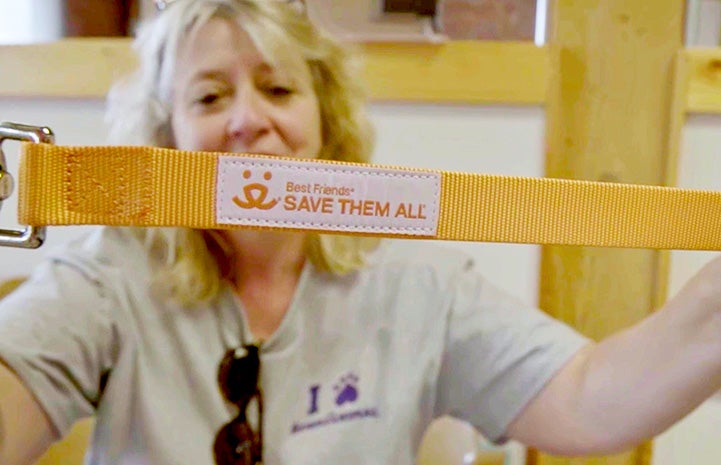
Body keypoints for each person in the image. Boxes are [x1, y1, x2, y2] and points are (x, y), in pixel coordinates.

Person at [2, 1, 721, 464]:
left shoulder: (415, 281)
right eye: (210, 95)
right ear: (168, 135)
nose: (248, 119)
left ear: (325, 119)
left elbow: (585, 397)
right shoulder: (111, 275)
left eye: (279, 88)